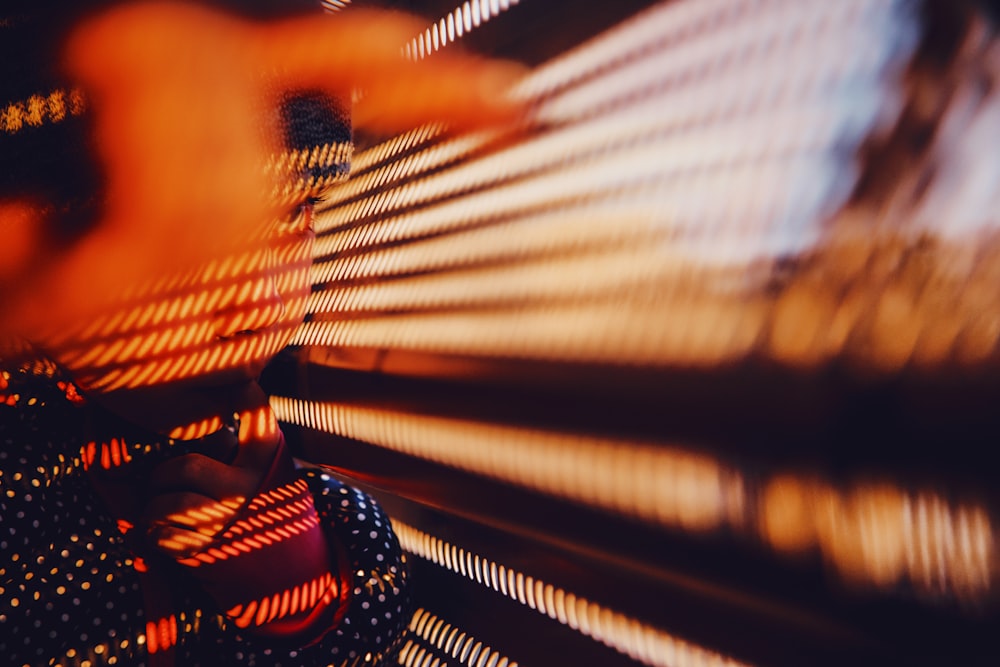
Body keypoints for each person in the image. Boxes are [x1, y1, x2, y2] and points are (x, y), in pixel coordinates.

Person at [0, 1, 522, 665]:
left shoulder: (253, 452)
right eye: (185, 238)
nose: (257, 303)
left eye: (294, 214)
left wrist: (306, 600)